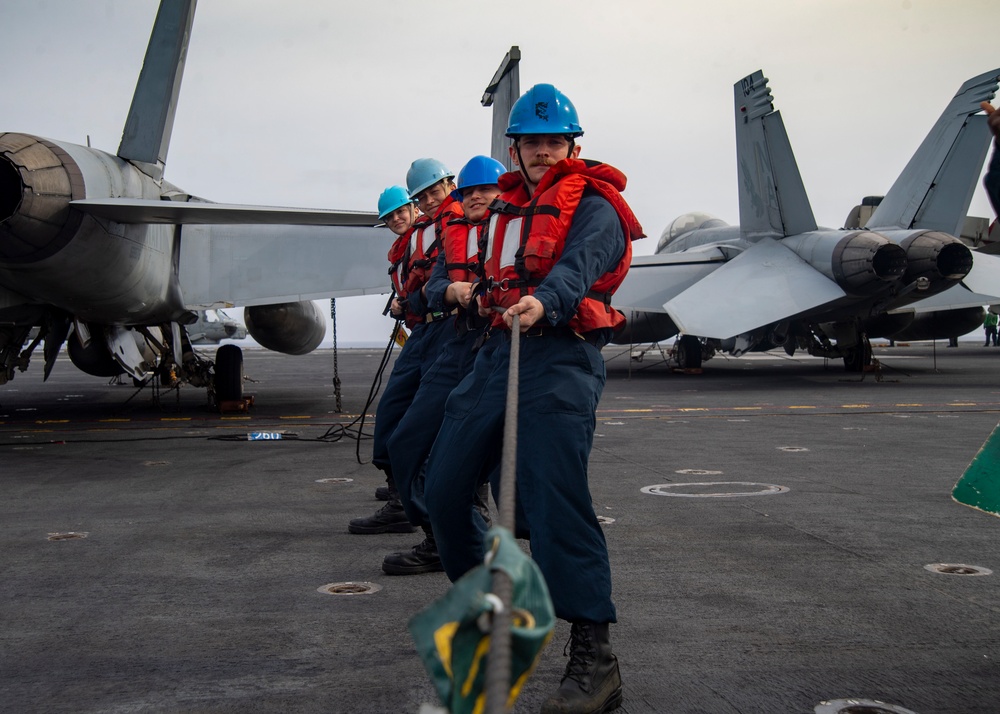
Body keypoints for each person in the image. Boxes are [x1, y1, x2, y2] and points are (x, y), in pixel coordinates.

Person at [422, 84, 644, 714]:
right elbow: (468, 272)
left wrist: (547, 299)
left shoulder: (596, 205)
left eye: (554, 142)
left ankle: (594, 659)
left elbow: (581, 265)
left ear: (572, 146)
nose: (543, 153)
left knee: (554, 501)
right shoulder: (499, 211)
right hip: (498, 352)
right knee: (443, 488)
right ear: (514, 150)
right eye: (532, 143)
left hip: (561, 357)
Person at [381, 155, 506, 575]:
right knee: (406, 442)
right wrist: (453, 291)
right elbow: (436, 286)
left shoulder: (515, 230)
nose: (475, 199)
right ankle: (446, 535)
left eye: (484, 191)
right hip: (454, 338)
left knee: (474, 456)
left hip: (498, 341)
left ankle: (467, 540)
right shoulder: (451, 234)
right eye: (469, 193)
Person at [348, 165, 460, 536]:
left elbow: (439, 283)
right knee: (393, 415)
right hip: (423, 332)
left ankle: (417, 504)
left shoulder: (446, 229)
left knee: (424, 426)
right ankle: (401, 489)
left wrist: (405, 302)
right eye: (390, 217)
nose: (397, 219)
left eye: (401, 212)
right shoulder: (408, 246)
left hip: (446, 329)